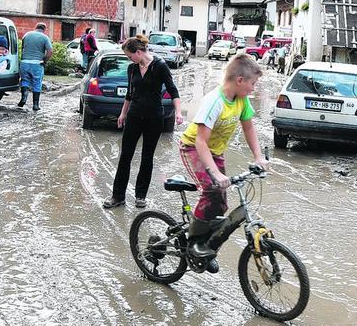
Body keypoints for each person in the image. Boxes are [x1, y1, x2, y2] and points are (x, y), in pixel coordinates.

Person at [178, 53, 268, 273]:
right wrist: (214, 173)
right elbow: (200, 141)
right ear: (239, 80)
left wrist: (258, 157)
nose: (254, 89)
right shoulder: (214, 101)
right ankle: (194, 243)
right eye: (252, 84)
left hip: (215, 152)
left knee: (222, 204)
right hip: (194, 148)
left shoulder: (241, 99)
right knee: (211, 189)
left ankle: (207, 246)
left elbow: (248, 128)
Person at [104, 35, 183, 209]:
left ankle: (140, 196)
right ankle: (117, 196)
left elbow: (173, 90)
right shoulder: (132, 68)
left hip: (154, 118)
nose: (128, 59)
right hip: (134, 116)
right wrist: (123, 114)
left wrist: (178, 112)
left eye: (129, 56)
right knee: (125, 156)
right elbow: (129, 94)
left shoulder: (160, 66)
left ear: (138, 52)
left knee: (147, 157)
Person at [18, 22, 53, 111]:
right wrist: (45, 60)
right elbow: (50, 51)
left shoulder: (26, 35)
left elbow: (22, 48)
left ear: (35, 27)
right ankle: (35, 105)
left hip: (24, 62)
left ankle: (24, 97)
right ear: (44, 29)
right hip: (37, 64)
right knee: (37, 83)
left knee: (25, 80)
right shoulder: (45, 37)